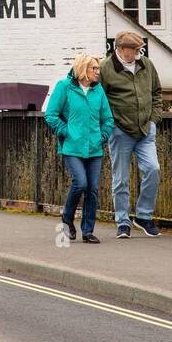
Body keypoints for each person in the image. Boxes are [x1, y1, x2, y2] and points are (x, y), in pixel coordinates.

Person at [99, 31, 163, 239]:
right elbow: (100, 99)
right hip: (120, 131)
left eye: (138, 49)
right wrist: (111, 126)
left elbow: (156, 93)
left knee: (153, 169)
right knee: (121, 178)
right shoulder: (105, 68)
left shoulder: (146, 64)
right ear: (120, 49)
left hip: (145, 129)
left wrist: (153, 120)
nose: (137, 53)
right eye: (134, 50)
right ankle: (123, 221)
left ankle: (143, 216)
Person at [45, 52, 114, 243]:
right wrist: (66, 132)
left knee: (92, 189)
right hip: (72, 147)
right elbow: (51, 114)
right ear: (83, 69)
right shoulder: (64, 87)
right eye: (94, 68)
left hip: (94, 148)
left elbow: (108, 119)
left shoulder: (98, 90)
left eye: (98, 68)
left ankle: (88, 231)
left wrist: (103, 136)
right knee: (80, 183)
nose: (98, 72)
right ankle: (67, 219)